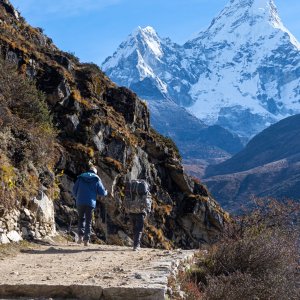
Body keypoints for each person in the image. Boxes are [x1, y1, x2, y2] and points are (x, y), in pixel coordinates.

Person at [72, 166, 107, 246]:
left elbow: (74, 190)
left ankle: (80, 237)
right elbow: (102, 192)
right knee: (88, 221)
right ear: (95, 172)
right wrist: (106, 192)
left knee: (81, 219)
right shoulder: (96, 179)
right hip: (90, 203)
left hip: (80, 202)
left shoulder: (80, 178)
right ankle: (86, 240)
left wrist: (76, 196)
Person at [125, 180, 152, 251]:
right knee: (139, 229)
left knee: (134, 228)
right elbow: (147, 201)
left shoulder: (131, 189)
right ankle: (136, 246)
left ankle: (135, 244)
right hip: (140, 212)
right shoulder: (144, 189)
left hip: (131, 210)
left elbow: (125, 199)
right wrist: (148, 210)